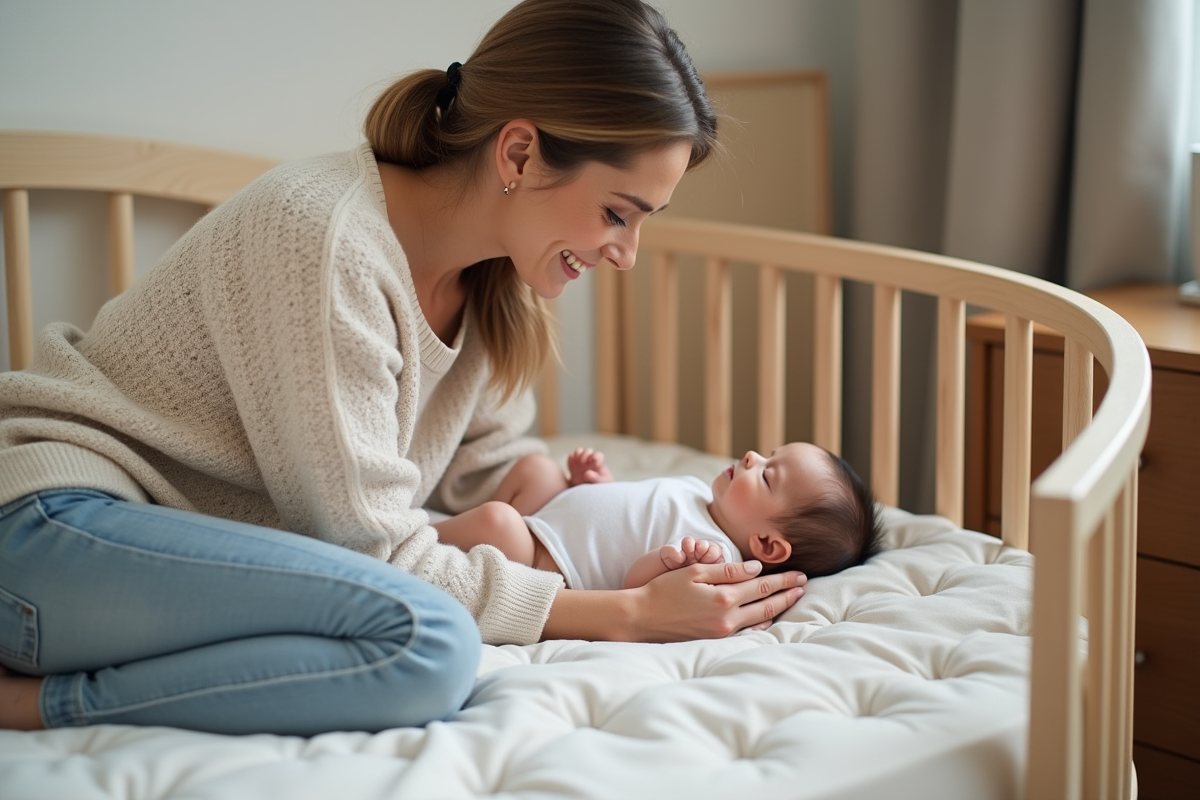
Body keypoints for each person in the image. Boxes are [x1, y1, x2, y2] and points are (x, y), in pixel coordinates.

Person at [0, 0, 806, 736]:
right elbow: (375, 549)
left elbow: (480, 478)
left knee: (423, 639)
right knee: (427, 642)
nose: (626, 255)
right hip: (56, 528)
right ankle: (34, 706)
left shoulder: (495, 281)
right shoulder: (324, 241)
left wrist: (618, 522)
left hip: (153, 546)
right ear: (519, 152)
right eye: (615, 214)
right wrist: (623, 614)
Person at [434, 443, 882, 591]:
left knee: (499, 522)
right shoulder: (700, 494)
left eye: (767, 476)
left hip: (548, 562)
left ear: (766, 545)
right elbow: (625, 516)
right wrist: (593, 484)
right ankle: (451, 535)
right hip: (554, 519)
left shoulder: (713, 556)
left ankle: (419, 539)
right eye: (768, 453)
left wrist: (672, 565)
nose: (752, 456)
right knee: (537, 467)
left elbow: (636, 585)